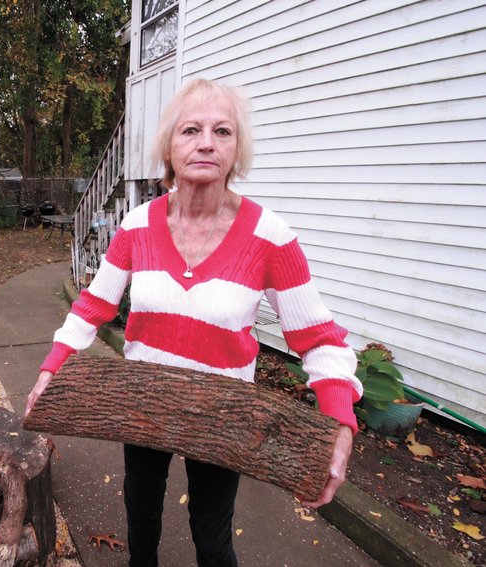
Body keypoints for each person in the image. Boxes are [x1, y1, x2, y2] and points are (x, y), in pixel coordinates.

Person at [25, 78, 362, 567]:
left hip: (223, 413)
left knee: (212, 535)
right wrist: (51, 368)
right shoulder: (137, 225)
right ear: (169, 146)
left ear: (236, 150)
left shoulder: (270, 236)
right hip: (144, 400)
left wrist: (339, 424)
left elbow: (319, 338)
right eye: (191, 130)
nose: (206, 141)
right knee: (140, 514)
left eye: (222, 131)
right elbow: (93, 306)